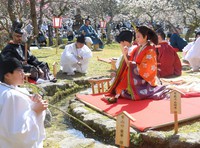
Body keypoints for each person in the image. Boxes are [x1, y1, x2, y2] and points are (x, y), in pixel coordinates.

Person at [106, 26, 167, 103]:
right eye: (136, 36)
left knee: (128, 92)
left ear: (145, 37)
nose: (136, 39)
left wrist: (133, 65)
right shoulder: (137, 48)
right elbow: (129, 61)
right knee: (119, 88)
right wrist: (126, 54)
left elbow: (147, 68)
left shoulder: (150, 50)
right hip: (135, 74)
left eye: (138, 36)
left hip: (144, 79)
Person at [0, 55, 48, 147]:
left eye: (23, 71)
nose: (24, 74)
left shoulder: (6, 89)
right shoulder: (12, 96)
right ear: (7, 75)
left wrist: (33, 101)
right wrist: (35, 111)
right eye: (19, 71)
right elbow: (19, 134)